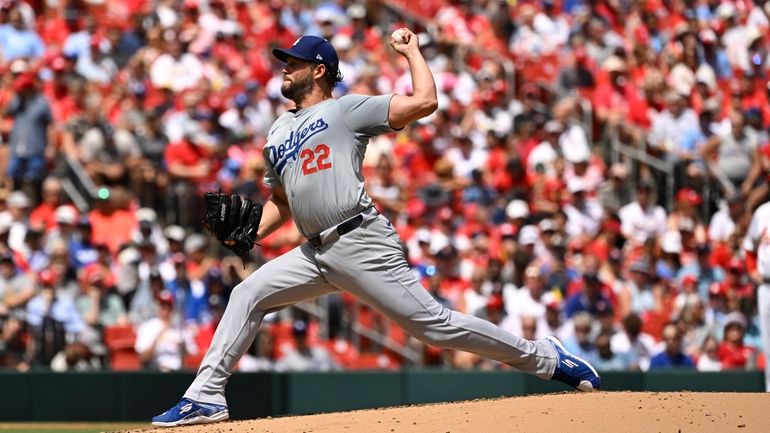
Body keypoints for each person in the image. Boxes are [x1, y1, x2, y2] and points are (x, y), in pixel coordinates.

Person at [152, 31, 600, 427]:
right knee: (247, 294)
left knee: (434, 327)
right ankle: (205, 397)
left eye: (293, 62)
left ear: (320, 70)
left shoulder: (348, 110)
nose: (284, 68)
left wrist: (412, 53)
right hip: (315, 253)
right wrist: (249, 233)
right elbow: (282, 202)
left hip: (360, 239)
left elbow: (425, 101)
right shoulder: (277, 130)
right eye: (284, 62)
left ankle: (546, 357)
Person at [742, 196, 770, 390]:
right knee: (768, 342)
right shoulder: (762, 212)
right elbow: (749, 247)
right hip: (766, 286)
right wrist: (752, 269)